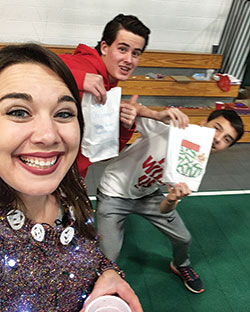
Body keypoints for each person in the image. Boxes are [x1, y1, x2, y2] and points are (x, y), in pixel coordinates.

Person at [0, 43, 143, 312]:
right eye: (18, 112)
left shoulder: (69, 188)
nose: (49, 135)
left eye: (64, 113)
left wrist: (107, 271)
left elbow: (87, 249)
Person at [95, 108, 244, 294]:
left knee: (183, 238)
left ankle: (181, 264)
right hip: (114, 192)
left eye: (227, 139)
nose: (218, 138)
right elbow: (129, 109)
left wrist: (173, 199)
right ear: (205, 123)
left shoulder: (195, 166)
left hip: (147, 195)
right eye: (217, 128)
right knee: (108, 259)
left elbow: (165, 210)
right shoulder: (171, 130)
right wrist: (157, 114)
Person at [60, 14, 151, 177]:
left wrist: (124, 126)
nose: (129, 60)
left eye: (136, 53)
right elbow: (22, 71)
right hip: (36, 175)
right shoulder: (80, 65)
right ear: (104, 48)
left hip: (68, 177)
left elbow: (102, 153)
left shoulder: (109, 88)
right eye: (122, 49)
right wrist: (77, 78)